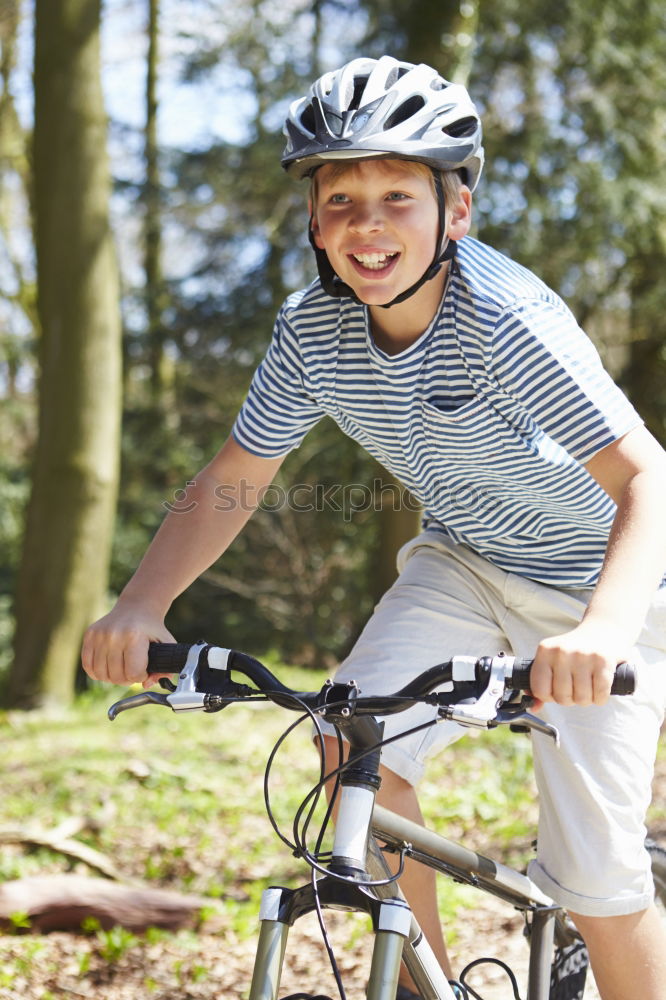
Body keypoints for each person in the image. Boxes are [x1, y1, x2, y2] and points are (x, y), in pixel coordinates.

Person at [82, 56, 666, 1000]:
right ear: (314, 221)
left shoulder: (506, 320)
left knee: (598, 876)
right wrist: (142, 603)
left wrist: (599, 629)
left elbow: (648, 475)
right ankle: (429, 989)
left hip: (609, 583)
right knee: (347, 739)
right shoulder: (312, 330)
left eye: (399, 195)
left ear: (458, 214)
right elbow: (236, 475)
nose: (368, 223)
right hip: (468, 563)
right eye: (341, 198)